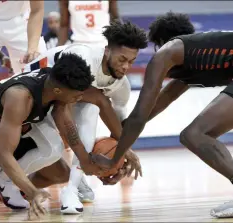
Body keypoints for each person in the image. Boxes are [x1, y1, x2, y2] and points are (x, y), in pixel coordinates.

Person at [0, 19, 147, 214]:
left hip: (57, 101)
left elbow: (119, 124)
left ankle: (71, 189)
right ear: (107, 50)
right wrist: (89, 160)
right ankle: (3, 177)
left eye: (131, 62)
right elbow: (66, 108)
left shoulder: (121, 85)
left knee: (61, 145)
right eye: (122, 59)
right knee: (61, 142)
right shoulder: (82, 56)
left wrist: (120, 157)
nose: (126, 67)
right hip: (31, 96)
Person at [91, 12, 233, 218]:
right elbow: (154, 106)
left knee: (195, 135)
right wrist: (120, 139)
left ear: (160, 43)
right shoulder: (190, 65)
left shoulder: (167, 53)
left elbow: (140, 115)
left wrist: (115, 158)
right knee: (198, 134)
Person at [0, 53, 101, 219]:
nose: (80, 98)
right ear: (58, 90)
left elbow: (68, 129)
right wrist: (32, 192)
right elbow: (3, 155)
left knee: (61, 173)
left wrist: (87, 161)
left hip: (1, 132)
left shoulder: (55, 84)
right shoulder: (20, 96)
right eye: (77, 95)